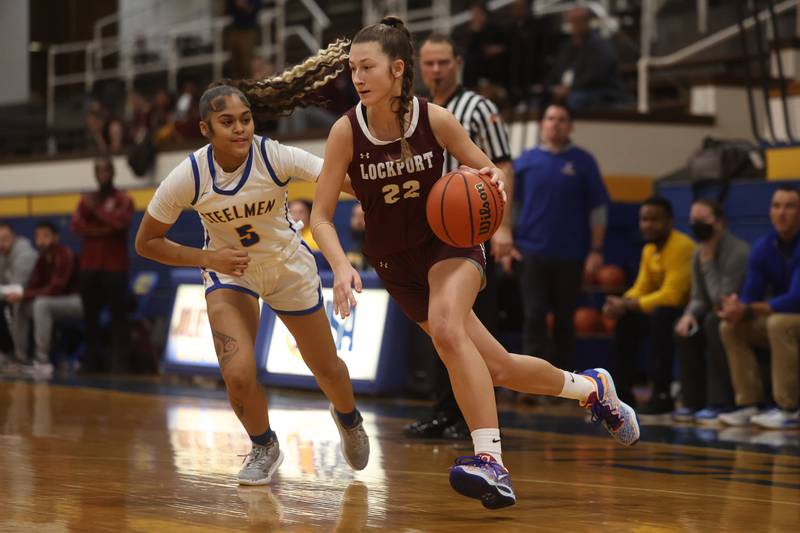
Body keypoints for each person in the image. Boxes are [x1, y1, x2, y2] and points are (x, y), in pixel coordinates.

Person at [310, 17, 639, 510]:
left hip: (448, 243)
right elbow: (320, 217)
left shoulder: (435, 119)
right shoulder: (345, 132)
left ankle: (490, 461)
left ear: (398, 69)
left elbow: (485, 169)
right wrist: (339, 267)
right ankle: (591, 389)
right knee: (498, 367)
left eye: (367, 67)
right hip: (395, 263)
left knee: (447, 328)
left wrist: (493, 187)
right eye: (353, 68)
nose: (357, 77)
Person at [135, 39, 370, 486]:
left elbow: (338, 180)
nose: (240, 129)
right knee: (238, 374)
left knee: (327, 368)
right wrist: (208, 257)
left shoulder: (272, 154)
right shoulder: (190, 174)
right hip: (229, 273)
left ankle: (349, 418)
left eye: (245, 119)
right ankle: (264, 445)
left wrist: (382, 191)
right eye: (227, 123)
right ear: (206, 129)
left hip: (286, 266)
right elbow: (146, 242)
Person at [403, 32, 514, 440]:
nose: (435, 71)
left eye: (442, 63)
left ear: (458, 62)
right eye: (428, 63)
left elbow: (501, 165)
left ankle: (478, 417)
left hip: (471, 228)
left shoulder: (479, 108)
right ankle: (445, 411)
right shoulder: (412, 111)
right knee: (443, 327)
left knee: (469, 329)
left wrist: (502, 227)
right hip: (427, 231)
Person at [513, 103, 609, 371]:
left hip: (570, 254)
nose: (555, 123)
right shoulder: (525, 161)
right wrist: (508, 241)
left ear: (570, 126)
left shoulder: (583, 161)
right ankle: (532, 380)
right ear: (542, 124)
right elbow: (512, 205)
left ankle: (565, 381)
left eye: (562, 119)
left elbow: (598, 208)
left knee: (565, 320)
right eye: (550, 118)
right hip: (531, 251)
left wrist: (596, 249)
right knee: (533, 316)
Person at [717, 186, 800, 429]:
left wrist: (750, 309)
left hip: (790, 318)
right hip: (788, 321)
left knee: (779, 323)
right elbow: (750, 295)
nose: (781, 213)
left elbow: (796, 299)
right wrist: (736, 307)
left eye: (789, 206)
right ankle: (750, 403)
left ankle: (789, 408)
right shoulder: (764, 247)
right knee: (730, 327)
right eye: (776, 206)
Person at [603, 197, 695, 415]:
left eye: (655, 219)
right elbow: (641, 287)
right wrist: (620, 303)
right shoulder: (649, 249)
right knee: (626, 321)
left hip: (687, 312)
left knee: (661, 316)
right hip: (661, 309)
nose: (648, 225)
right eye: (644, 219)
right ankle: (622, 394)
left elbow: (673, 296)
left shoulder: (681, 246)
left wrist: (629, 303)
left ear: (669, 221)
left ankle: (661, 394)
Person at [673, 199, 748, 424]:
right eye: (693, 220)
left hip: (738, 314)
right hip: (714, 312)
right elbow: (698, 296)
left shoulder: (738, 251)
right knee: (686, 328)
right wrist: (688, 315)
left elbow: (722, 298)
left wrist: (708, 263)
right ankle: (692, 401)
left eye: (702, 220)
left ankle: (720, 401)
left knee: (713, 322)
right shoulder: (698, 253)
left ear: (719, 222)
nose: (696, 225)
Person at [71, 156, 135, 373]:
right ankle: (91, 360)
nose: (102, 175)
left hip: (115, 267)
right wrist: (102, 228)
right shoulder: (87, 200)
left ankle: (120, 363)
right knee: (90, 317)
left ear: (112, 173)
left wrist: (96, 212)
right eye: (98, 171)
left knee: (118, 317)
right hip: (90, 266)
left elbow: (119, 223)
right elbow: (77, 227)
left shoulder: (123, 199)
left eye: (106, 171)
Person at [7, 221, 82, 379]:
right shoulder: (41, 258)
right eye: (38, 237)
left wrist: (25, 294)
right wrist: (22, 296)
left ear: (55, 237)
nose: (41, 241)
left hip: (76, 301)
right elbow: (34, 285)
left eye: (45, 236)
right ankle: (21, 357)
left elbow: (57, 289)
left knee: (41, 304)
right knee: (22, 303)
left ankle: (42, 360)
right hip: (52, 302)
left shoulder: (65, 255)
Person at [546, 7, 628, 110]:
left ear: (587, 22)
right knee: (543, 98)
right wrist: (553, 87)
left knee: (575, 99)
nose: (575, 25)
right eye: (572, 22)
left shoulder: (600, 45)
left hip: (599, 91)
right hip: (570, 90)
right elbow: (556, 71)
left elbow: (597, 75)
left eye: (579, 21)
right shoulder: (567, 47)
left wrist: (570, 88)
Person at [0, 221, 38, 367]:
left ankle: (19, 354)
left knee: (13, 304)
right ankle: (5, 351)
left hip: (31, 298)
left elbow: (18, 288)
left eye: (5, 239)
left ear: (14, 237)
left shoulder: (25, 254)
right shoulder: (3, 255)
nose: (1, 243)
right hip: (15, 297)